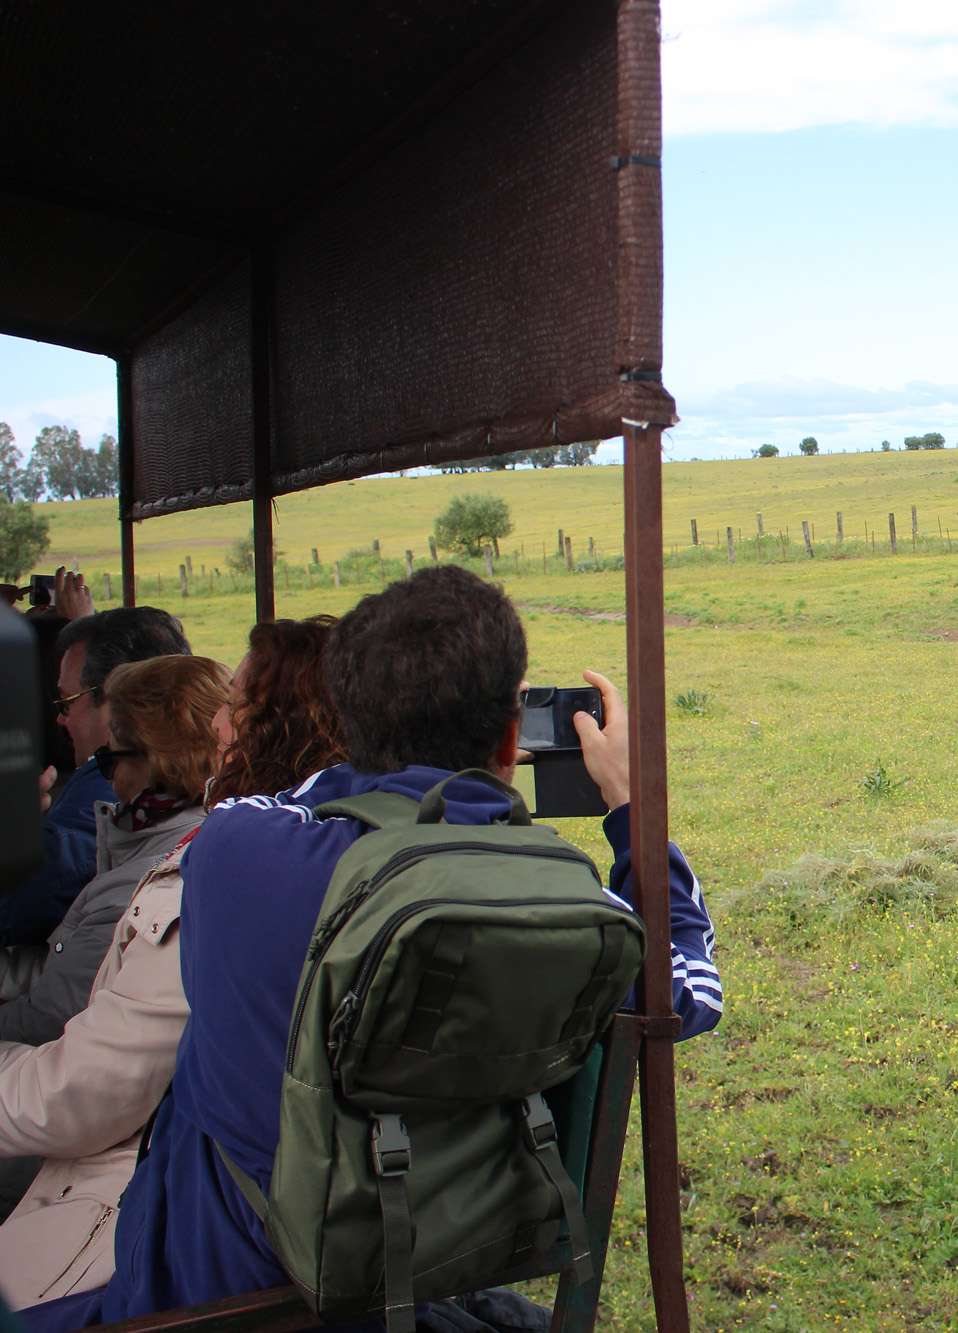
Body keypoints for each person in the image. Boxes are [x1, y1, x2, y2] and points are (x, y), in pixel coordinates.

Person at [26, 567, 720, 1332]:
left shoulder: (234, 850)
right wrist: (631, 808)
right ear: (512, 734)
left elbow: (269, 790)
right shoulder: (568, 902)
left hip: (217, 1300)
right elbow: (689, 992)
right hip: (416, 1283)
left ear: (348, 723)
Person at [0, 622, 346, 1309]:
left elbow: (85, 1094)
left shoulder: (224, 872)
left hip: (139, 1244)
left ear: (274, 727)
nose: (215, 720)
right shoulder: (352, 856)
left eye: (235, 701)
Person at [3, 607, 190, 959]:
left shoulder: (106, 790)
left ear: (117, 697)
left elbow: (16, 904)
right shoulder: (209, 779)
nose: (60, 717)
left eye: (67, 701)